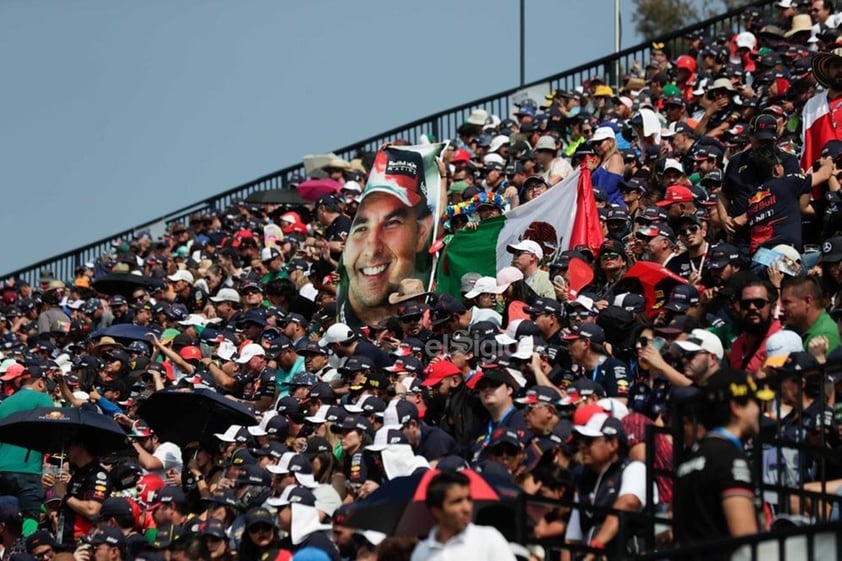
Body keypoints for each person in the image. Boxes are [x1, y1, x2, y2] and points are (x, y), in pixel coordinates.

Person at [672, 370, 774, 558]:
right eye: (755, 402)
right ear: (736, 407)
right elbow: (745, 540)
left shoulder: (686, 462)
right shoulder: (730, 457)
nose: (759, 410)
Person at [339, 149, 435, 328]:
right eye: (361, 228)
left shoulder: (433, 327)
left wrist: (443, 178)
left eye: (391, 223)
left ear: (421, 233)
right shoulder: (339, 318)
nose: (372, 247)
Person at [564, 412, 651, 559]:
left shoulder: (634, 468)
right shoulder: (583, 479)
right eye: (581, 441)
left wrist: (596, 545)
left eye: (589, 441)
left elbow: (627, 503)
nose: (583, 447)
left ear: (613, 444)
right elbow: (572, 536)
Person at [410, 470, 515, 561]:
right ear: (436, 510)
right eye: (457, 501)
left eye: (468, 499)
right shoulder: (421, 552)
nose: (467, 508)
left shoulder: (488, 539)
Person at [0, 368, 54, 536]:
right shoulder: (42, 398)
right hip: (27, 470)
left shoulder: (6, 402)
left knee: (5, 517)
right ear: (40, 383)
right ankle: (23, 552)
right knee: (31, 513)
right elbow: (53, 428)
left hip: (2, 469)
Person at [780, 276, 842, 352]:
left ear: (807, 301)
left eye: (787, 303)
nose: (781, 309)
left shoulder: (827, 338)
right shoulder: (794, 326)